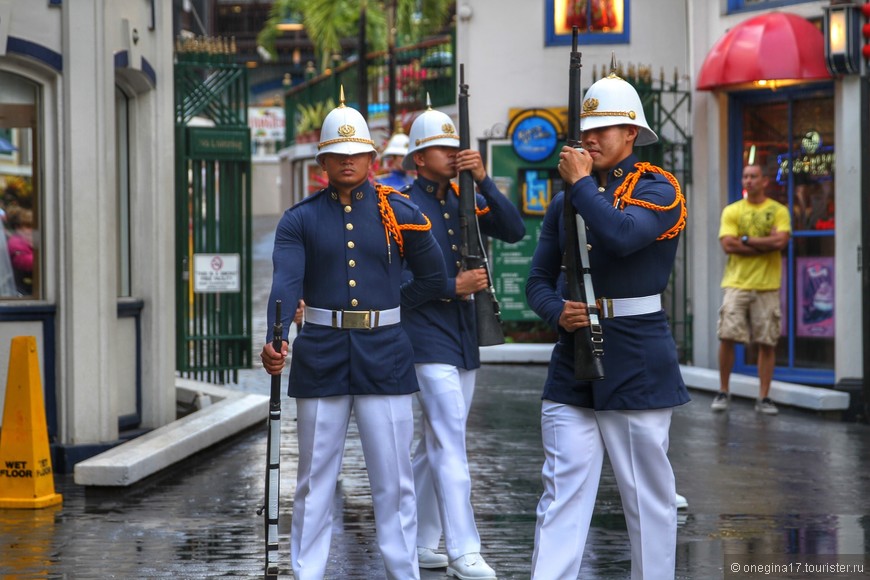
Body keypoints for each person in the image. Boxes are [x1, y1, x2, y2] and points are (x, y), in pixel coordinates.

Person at [260, 91, 447, 580]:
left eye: (356, 153)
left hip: (384, 355)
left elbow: (434, 278)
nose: (347, 162)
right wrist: (276, 335)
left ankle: (403, 572)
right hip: (321, 354)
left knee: (394, 481)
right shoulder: (299, 219)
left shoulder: (400, 211)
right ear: (321, 160)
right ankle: (307, 572)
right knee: (314, 481)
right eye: (337, 155)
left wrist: (388, 307)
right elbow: (285, 281)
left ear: (372, 157)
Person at [525, 69, 689, 579]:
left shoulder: (660, 190)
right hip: (573, 361)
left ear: (632, 135)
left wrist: (578, 187)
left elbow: (621, 235)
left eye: (605, 128)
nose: (590, 137)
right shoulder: (565, 201)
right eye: (587, 129)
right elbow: (537, 281)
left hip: (637, 359)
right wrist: (558, 311)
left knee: (648, 501)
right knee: (561, 498)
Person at [400, 103, 526, 578]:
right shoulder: (403, 205)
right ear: (418, 158)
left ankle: (417, 540)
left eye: (455, 146)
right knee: (451, 439)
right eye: (441, 148)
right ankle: (463, 550)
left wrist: (486, 180)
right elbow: (397, 277)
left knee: (435, 442)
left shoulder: (464, 197)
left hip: (465, 333)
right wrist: (450, 286)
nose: (452, 154)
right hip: (425, 333)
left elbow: (514, 230)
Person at [713, 163, 791, 415]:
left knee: (767, 341)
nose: (749, 180)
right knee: (726, 336)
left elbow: (780, 241)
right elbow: (728, 245)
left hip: (767, 285)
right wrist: (763, 245)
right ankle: (723, 391)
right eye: (745, 176)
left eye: (754, 176)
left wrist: (745, 239)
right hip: (736, 283)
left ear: (764, 181)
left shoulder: (778, 211)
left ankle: (764, 397)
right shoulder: (732, 210)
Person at [376, 124, 415, 190]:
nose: (406, 159)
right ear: (393, 157)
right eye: (402, 156)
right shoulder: (382, 183)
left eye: (407, 156)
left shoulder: (414, 181)